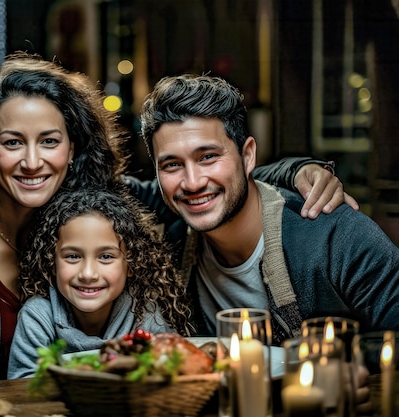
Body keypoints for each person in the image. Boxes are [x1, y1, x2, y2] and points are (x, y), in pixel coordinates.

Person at [0, 52, 352, 391]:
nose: (32, 162)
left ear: (72, 148)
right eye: (12, 143)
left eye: (49, 142)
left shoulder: (98, 206)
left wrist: (295, 169)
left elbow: (198, 183)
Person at [138, 73, 399, 345]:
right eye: (172, 165)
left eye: (208, 157)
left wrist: (344, 363)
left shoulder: (335, 237)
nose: (192, 182)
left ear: (248, 155)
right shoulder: (169, 252)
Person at [8, 187, 193, 379]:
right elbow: (24, 387)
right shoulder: (38, 315)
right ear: (52, 263)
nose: (88, 274)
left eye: (105, 256)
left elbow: (168, 379)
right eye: (72, 256)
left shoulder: (146, 316)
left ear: (131, 264)